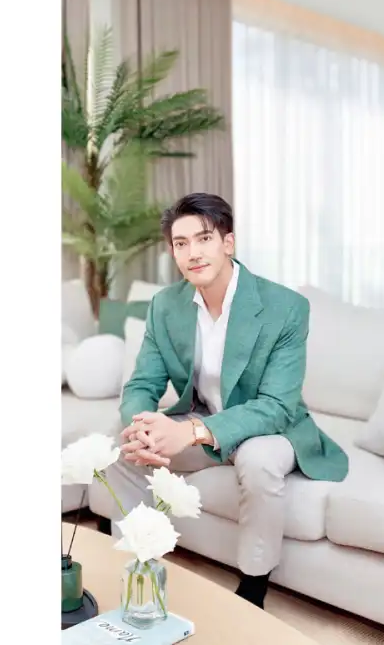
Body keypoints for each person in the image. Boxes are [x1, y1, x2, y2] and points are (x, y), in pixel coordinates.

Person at [100, 192, 349, 609]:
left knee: (258, 460)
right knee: (121, 442)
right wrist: (142, 425)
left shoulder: (285, 307)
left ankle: (253, 587)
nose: (193, 253)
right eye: (181, 243)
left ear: (227, 243)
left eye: (204, 239)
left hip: (269, 428)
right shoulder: (165, 306)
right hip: (206, 420)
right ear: (173, 252)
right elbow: (142, 382)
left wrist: (191, 432)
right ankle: (138, 562)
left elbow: (276, 405)